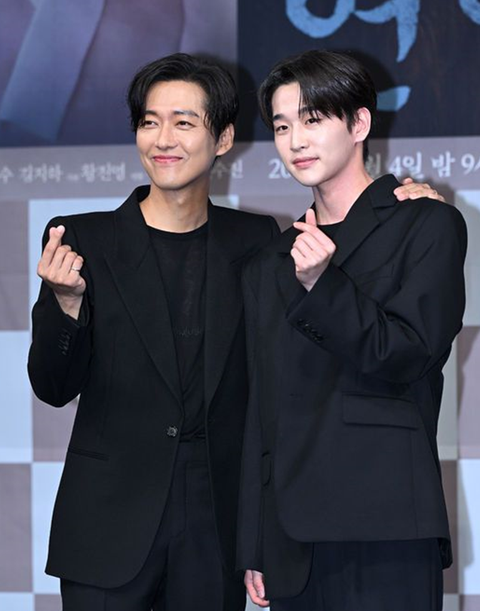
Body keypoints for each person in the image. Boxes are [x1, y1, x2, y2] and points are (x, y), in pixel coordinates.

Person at [28, 52, 444, 611]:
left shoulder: (258, 243)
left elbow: (269, 392)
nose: (163, 139)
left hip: (216, 526)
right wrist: (67, 305)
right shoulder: (80, 241)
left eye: (184, 122)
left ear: (223, 138)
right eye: (149, 122)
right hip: (108, 523)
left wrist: (408, 204)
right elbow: (52, 386)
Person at [237, 49, 467, 611]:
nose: (296, 141)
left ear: (359, 123)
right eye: (282, 127)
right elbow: (260, 406)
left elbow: (410, 354)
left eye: (313, 120)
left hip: (385, 525)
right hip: (292, 539)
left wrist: (324, 286)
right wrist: (254, 540)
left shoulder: (426, 223)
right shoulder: (271, 261)